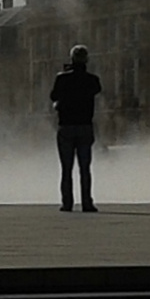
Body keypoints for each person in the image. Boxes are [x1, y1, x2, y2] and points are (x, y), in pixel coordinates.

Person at [51, 45, 103, 212]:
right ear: (86, 60)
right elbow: (96, 90)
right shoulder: (92, 80)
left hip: (66, 126)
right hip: (85, 126)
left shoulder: (62, 78)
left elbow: (54, 96)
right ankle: (87, 202)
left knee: (66, 168)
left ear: (71, 59)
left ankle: (67, 203)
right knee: (85, 168)